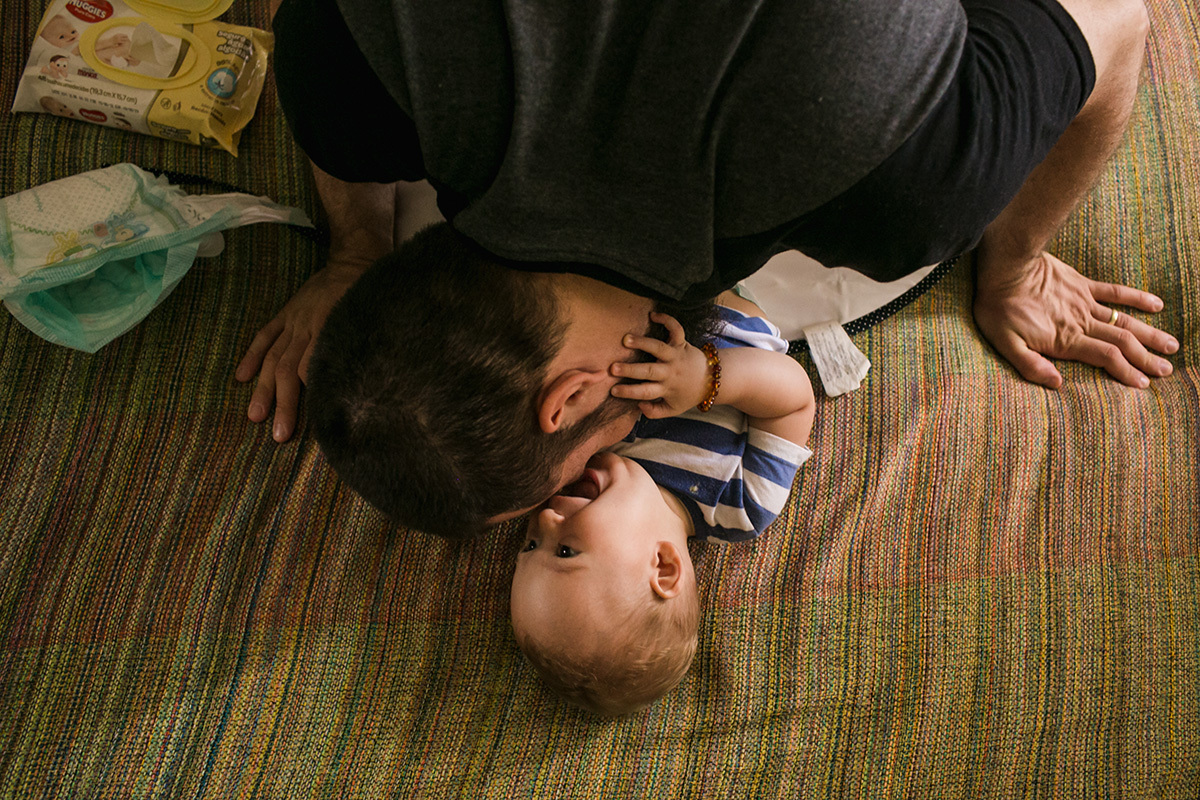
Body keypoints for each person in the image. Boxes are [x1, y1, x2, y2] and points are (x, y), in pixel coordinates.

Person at [243, 0, 1177, 532]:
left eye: (571, 471)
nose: (591, 480)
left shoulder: (901, 189)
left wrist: (1015, 265)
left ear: (570, 400)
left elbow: (1118, 20)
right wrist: (352, 253)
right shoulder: (344, 51)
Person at [510, 295, 815, 715]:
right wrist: (707, 379)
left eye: (530, 546)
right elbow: (795, 399)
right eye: (565, 551)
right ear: (663, 566)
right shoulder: (741, 506)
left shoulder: (574, 464)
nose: (545, 519)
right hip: (725, 307)